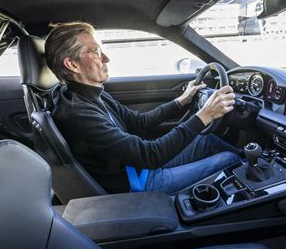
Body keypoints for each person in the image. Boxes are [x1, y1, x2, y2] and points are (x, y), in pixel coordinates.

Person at [45, 21, 242, 194]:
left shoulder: (90, 94)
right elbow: (151, 155)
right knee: (228, 159)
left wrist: (181, 101)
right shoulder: (79, 115)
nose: (106, 58)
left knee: (206, 141)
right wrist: (205, 115)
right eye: (95, 52)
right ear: (72, 64)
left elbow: (140, 122)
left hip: (139, 166)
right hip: (138, 182)